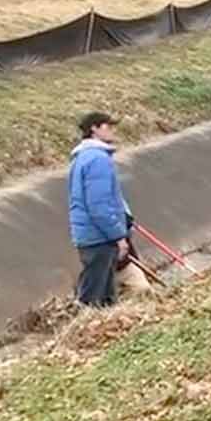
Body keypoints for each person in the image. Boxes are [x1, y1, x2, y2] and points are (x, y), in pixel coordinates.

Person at [69, 112, 131, 308]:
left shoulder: (82, 157)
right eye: (108, 126)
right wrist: (118, 236)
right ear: (94, 129)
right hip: (99, 237)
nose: (112, 130)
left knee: (102, 295)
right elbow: (99, 206)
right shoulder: (98, 160)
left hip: (89, 235)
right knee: (95, 298)